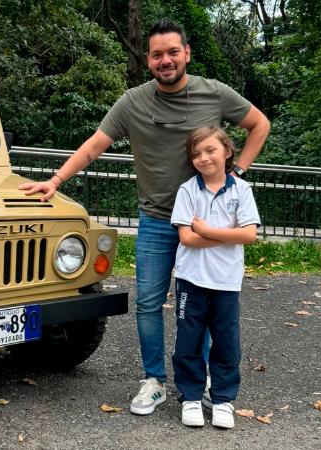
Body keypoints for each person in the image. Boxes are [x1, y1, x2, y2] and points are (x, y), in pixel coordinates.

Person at [17, 18, 271, 416]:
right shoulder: (133, 101)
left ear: (186, 53)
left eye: (173, 52)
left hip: (202, 224)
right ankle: (153, 381)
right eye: (157, 55)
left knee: (201, 303)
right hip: (155, 219)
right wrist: (55, 179)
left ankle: (199, 377)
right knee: (150, 303)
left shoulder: (215, 94)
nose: (165, 60)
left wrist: (238, 173)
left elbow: (260, 124)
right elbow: (95, 145)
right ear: (148, 60)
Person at [169, 126, 259, 429]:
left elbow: (249, 235)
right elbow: (187, 239)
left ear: (227, 152)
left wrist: (207, 231)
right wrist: (228, 235)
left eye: (210, 150)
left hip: (226, 282)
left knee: (226, 342)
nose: (203, 158)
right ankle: (191, 396)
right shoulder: (187, 190)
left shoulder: (241, 191)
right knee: (188, 341)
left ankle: (222, 399)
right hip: (190, 279)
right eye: (196, 154)